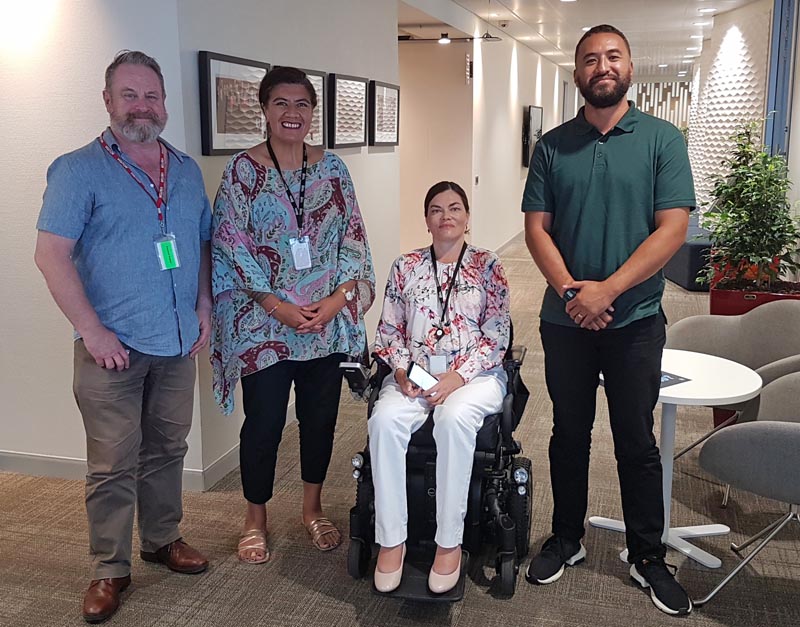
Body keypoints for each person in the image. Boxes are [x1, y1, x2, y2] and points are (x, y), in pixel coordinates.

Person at [522, 24, 695, 615]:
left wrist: (609, 291)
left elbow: (673, 228)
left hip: (635, 319)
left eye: (612, 56)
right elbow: (535, 229)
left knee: (636, 441)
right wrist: (575, 293)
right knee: (567, 434)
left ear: (629, 67)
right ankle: (566, 537)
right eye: (590, 59)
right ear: (577, 74)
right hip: (565, 320)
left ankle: (648, 555)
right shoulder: (552, 145)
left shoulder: (662, 140)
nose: (602, 66)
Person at [34, 50, 211, 623]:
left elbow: (203, 244)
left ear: (164, 102)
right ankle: (110, 569)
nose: (143, 106)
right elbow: (51, 256)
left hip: (177, 341)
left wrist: (204, 303)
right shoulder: (77, 169)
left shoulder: (184, 169)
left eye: (152, 95)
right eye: (129, 95)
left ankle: (162, 539)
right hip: (111, 349)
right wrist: (92, 332)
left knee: (167, 450)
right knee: (112, 464)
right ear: (108, 101)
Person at [211, 66, 375, 565]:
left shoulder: (334, 169)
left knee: (319, 420)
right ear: (263, 109)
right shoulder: (241, 171)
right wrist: (276, 305)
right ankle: (254, 518)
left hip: (324, 325)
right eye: (281, 103)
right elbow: (228, 244)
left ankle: (312, 509)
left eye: (302, 104)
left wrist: (337, 299)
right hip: (265, 326)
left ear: (313, 113)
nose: (292, 114)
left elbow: (353, 238)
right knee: (262, 423)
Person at [369, 181, 511, 594]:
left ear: (467, 218)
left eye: (454, 208)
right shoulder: (405, 265)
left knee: (452, 419)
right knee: (384, 421)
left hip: (476, 375)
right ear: (426, 219)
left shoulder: (488, 264)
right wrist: (400, 372)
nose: (445, 216)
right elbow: (389, 330)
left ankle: (449, 543)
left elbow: (497, 334)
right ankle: (391, 540)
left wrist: (457, 377)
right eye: (436, 209)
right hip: (416, 375)